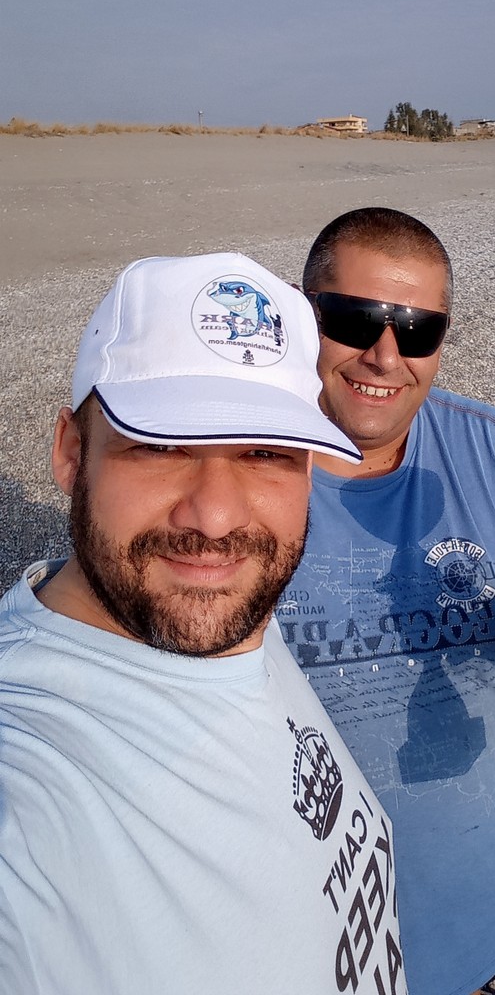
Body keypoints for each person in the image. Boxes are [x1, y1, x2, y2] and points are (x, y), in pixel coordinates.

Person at [0, 253, 408, 995]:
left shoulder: (240, 621)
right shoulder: (29, 802)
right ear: (70, 453)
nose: (215, 518)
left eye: (264, 452)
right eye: (160, 446)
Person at [276, 209, 495, 995]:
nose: (385, 355)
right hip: (289, 941)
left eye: (417, 330)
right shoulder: (237, 466)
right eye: (355, 320)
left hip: (473, 923)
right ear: (303, 317)